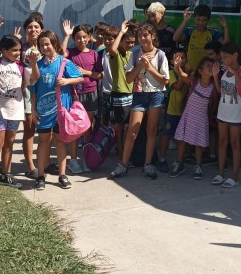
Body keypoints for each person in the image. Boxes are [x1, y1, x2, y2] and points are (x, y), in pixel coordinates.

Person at [0, 14, 39, 194]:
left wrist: (34, 64)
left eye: (19, 50)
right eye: (14, 50)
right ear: (4, 50)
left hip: (15, 111)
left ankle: (6, 174)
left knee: (9, 143)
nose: (17, 53)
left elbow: (34, 79)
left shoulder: (22, 66)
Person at [110, 22, 169, 180]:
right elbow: (129, 79)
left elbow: (165, 81)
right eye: (140, 36)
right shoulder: (134, 52)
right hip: (139, 94)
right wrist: (140, 65)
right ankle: (123, 164)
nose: (142, 39)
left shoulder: (161, 55)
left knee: (151, 131)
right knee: (132, 131)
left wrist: (149, 68)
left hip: (156, 94)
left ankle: (148, 164)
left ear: (153, 36)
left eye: (145, 35)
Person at [31, 30, 84, 190]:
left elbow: (80, 77)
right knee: (43, 142)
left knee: (61, 142)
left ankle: (62, 175)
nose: (44, 47)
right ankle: (40, 175)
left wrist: (67, 81)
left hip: (61, 111)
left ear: (54, 43)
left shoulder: (64, 63)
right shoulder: (38, 65)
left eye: (47, 44)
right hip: (43, 111)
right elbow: (33, 89)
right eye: (41, 45)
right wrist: (33, 110)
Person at [61, 20, 103, 173]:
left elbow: (100, 75)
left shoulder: (94, 54)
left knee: (87, 129)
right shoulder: (70, 52)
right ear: (74, 39)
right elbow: (61, 53)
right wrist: (66, 36)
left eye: (84, 37)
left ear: (89, 37)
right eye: (78, 37)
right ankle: (73, 160)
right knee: (74, 129)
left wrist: (85, 72)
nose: (81, 40)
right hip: (74, 94)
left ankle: (85, 158)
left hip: (91, 94)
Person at [169, 57, 218, 180]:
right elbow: (181, 74)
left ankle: (198, 165)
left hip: (202, 118)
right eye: (208, 65)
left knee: (199, 144)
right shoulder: (194, 81)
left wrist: (217, 76)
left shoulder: (213, 86)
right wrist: (177, 66)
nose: (211, 67)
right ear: (200, 71)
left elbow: (219, 92)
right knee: (182, 140)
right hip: (188, 115)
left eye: (212, 65)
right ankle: (179, 163)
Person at [211, 42, 241, 188]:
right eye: (222, 57)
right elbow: (220, 90)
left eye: (226, 57)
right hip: (223, 112)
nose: (223, 60)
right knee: (222, 142)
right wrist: (215, 76)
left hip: (236, 114)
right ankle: (220, 173)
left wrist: (235, 72)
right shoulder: (224, 71)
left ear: (235, 56)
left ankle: (235, 175)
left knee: (234, 144)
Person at [14, 14, 44, 179]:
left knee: (47, 130)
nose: (33, 30)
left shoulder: (46, 46)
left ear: (42, 30)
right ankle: (31, 165)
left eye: (36, 27)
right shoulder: (21, 48)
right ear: (26, 31)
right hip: (27, 92)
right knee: (30, 129)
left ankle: (44, 164)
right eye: (30, 27)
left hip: (45, 92)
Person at [107, 21, 136, 162]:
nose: (130, 45)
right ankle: (120, 151)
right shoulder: (116, 53)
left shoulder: (132, 54)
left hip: (132, 93)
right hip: (119, 93)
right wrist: (121, 32)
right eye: (128, 42)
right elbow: (112, 49)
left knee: (128, 126)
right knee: (118, 125)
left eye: (132, 43)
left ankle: (127, 151)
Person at [156, 50, 189, 173]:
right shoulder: (171, 73)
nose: (181, 61)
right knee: (167, 133)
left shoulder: (188, 72)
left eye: (183, 58)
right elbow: (178, 86)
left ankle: (180, 160)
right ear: (171, 61)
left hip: (185, 110)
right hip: (172, 110)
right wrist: (181, 72)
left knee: (183, 136)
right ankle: (162, 158)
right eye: (177, 58)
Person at [173, 4, 230, 71]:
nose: (201, 23)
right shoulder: (190, 31)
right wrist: (185, 20)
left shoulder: (212, 33)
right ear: (194, 18)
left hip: (207, 70)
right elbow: (175, 38)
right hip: (190, 70)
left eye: (204, 20)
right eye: (198, 19)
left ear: (208, 20)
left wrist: (225, 27)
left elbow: (226, 45)